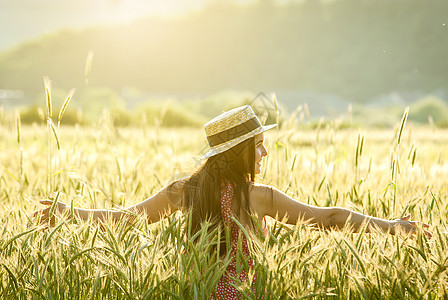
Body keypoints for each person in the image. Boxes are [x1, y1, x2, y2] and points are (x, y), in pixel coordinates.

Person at [34, 105, 430, 299]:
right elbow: (328, 218)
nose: (265, 155)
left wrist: (69, 214)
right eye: (258, 146)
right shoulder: (259, 197)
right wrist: (390, 226)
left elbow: (125, 219)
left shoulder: (184, 191)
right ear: (238, 151)